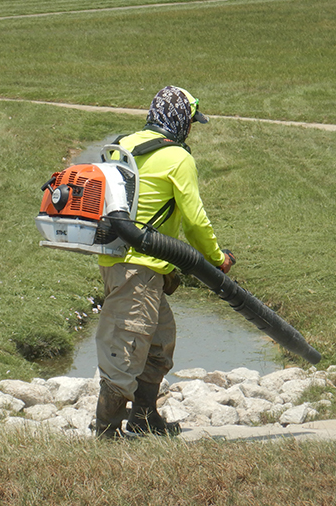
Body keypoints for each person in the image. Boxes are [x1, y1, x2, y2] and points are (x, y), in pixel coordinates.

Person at [94, 85, 234, 438]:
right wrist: (217, 259)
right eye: (192, 123)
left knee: (158, 345)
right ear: (181, 120)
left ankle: (143, 420)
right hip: (137, 268)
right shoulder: (177, 157)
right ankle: (106, 435)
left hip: (119, 262)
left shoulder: (123, 144)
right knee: (125, 352)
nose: (191, 130)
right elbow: (195, 222)